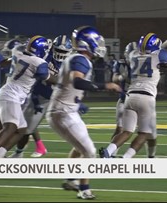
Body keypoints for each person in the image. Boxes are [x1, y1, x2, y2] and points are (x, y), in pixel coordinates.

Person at [46, 25, 121, 200]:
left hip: (67, 110)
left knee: (80, 147)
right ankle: (84, 189)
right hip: (62, 112)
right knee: (89, 151)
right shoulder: (80, 59)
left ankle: (71, 179)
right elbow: (78, 82)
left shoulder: (77, 58)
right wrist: (106, 86)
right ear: (88, 43)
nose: (100, 45)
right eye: (97, 41)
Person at [99, 32, 167, 159]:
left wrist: (163, 45)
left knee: (127, 131)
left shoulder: (133, 54)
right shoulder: (158, 55)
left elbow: (150, 53)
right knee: (144, 134)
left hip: (130, 96)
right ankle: (125, 159)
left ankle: (108, 151)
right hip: (146, 97)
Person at [0, 35, 52, 158]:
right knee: (11, 126)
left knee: (21, 130)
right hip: (11, 95)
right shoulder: (38, 62)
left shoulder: (18, 51)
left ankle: (0, 154)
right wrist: (66, 81)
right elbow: (47, 77)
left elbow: (12, 57)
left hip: (10, 94)